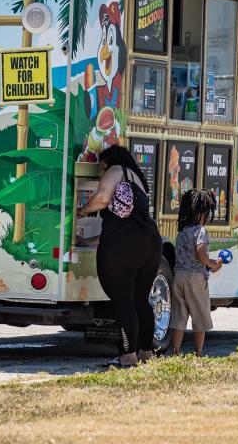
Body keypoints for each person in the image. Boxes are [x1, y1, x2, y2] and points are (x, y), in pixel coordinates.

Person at [77, 144, 162, 367]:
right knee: (141, 301)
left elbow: (102, 199)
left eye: (101, 168)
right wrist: (91, 241)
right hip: (150, 242)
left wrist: (80, 210)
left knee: (123, 301)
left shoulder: (115, 169)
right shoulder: (137, 179)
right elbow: (127, 222)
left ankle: (127, 356)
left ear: (107, 162)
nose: (101, 173)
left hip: (125, 247)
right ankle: (146, 352)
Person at [169, 189, 222, 356]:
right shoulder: (201, 231)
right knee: (200, 314)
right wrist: (213, 264)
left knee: (179, 314)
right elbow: (201, 254)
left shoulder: (182, 231)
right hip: (196, 278)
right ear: (202, 212)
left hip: (179, 275)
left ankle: (175, 351)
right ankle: (198, 352)